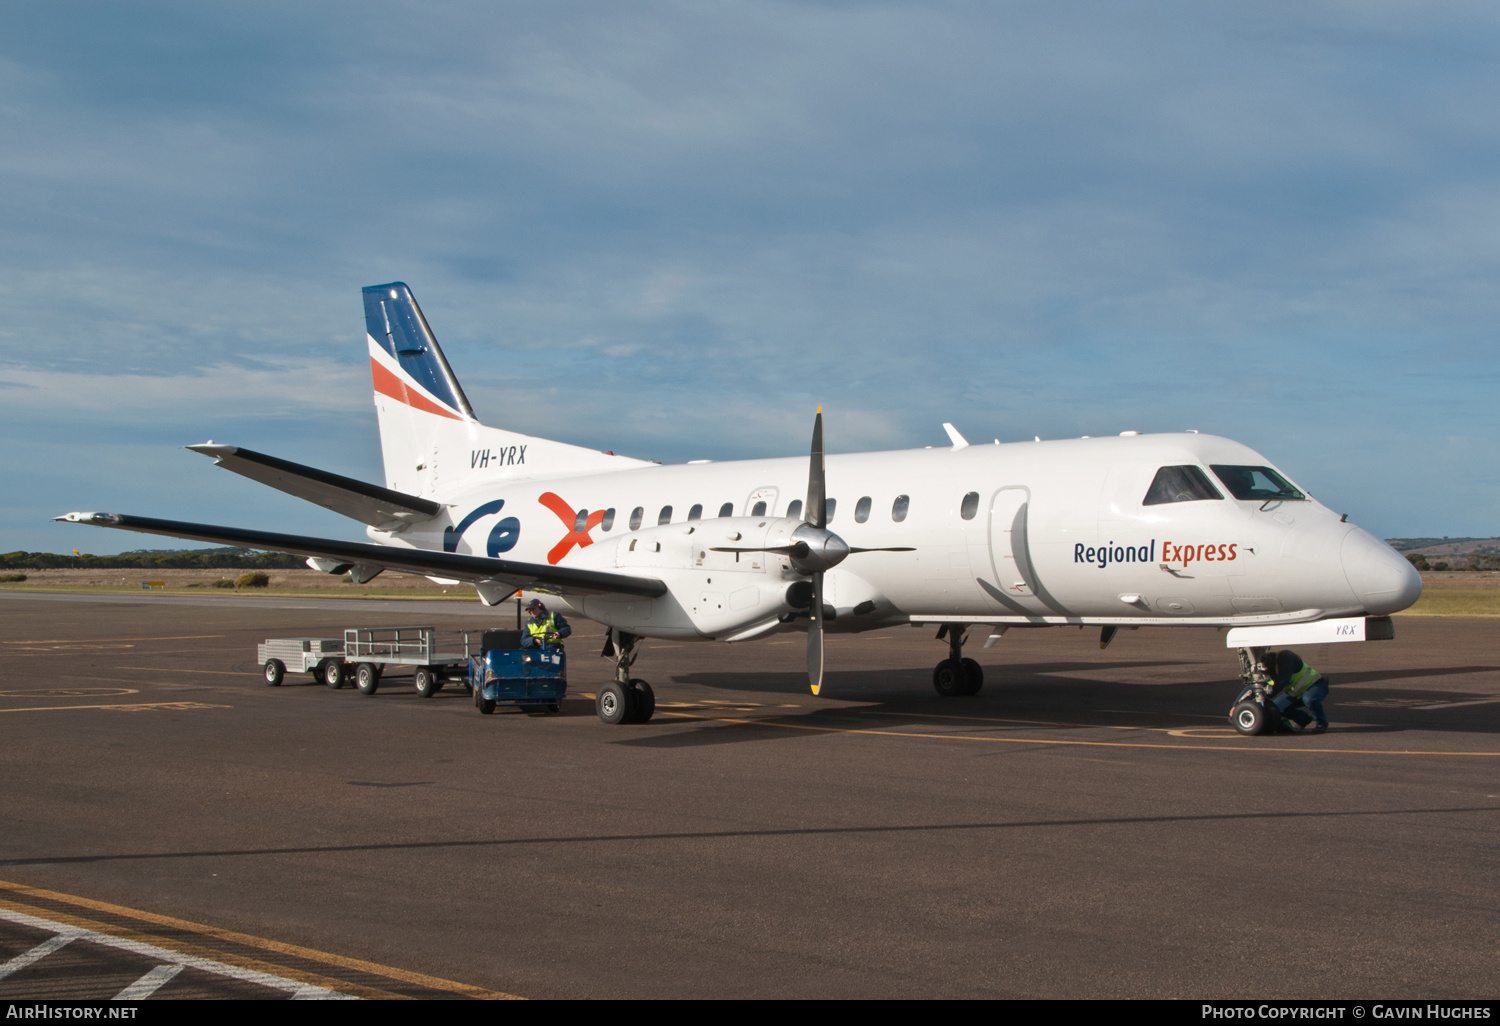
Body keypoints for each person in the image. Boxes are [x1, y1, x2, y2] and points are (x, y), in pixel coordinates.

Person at [1265, 649, 1329, 733]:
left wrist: (1268, 695)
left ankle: (1322, 723)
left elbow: (1282, 681)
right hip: (1296, 693)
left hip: (1315, 685)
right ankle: (1303, 720)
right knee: (1275, 708)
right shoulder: (1266, 673)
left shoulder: (1285, 657)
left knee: (1309, 699)